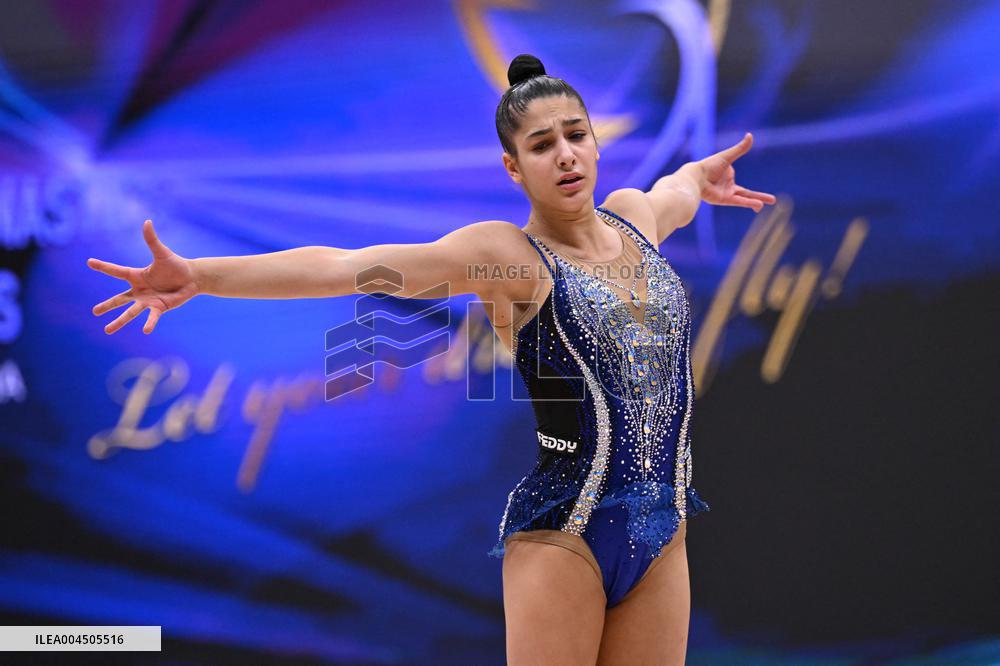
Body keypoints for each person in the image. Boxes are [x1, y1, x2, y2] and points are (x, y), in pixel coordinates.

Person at [87, 53, 775, 665]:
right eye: (542, 145)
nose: (565, 155)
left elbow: (674, 195)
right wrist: (203, 276)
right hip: (569, 531)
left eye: (575, 135)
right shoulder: (508, 257)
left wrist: (699, 174)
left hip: (664, 532)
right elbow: (348, 269)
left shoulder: (635, 220)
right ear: (514, 167)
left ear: (595, 143)